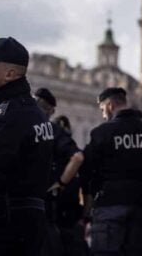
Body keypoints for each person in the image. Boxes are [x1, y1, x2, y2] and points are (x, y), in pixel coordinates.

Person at [0, 36, 54, 255]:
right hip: (29, 228)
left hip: (0, 233)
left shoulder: (5, 117)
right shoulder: (34, 112)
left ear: (10, 74)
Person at [81, 87, 142, 256]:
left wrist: (88, 205)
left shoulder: (101, 133)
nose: (103, 115)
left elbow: (86, 170)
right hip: (141, 209)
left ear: (109, 105)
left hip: (109, 207)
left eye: (102, 110)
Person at [34, 88, 86, 256]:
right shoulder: (53, 131)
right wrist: (61, 184)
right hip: (49, 207)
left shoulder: (18, 127)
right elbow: (77, 157)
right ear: (51, 111)